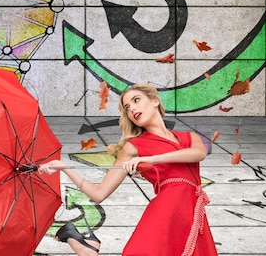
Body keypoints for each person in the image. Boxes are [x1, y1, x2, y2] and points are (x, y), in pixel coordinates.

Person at [38, 83, 218, 256]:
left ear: (154, 100)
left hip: (193, 213)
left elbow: (198, 153)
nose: (131, 108)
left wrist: (151, 159)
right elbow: (99, 194)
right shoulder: (133, 147)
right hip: (166, 210)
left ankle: (86, 246)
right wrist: (65, 168)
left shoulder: (189, 137)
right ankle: (82, 244)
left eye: (136, 100)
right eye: (126, 107)